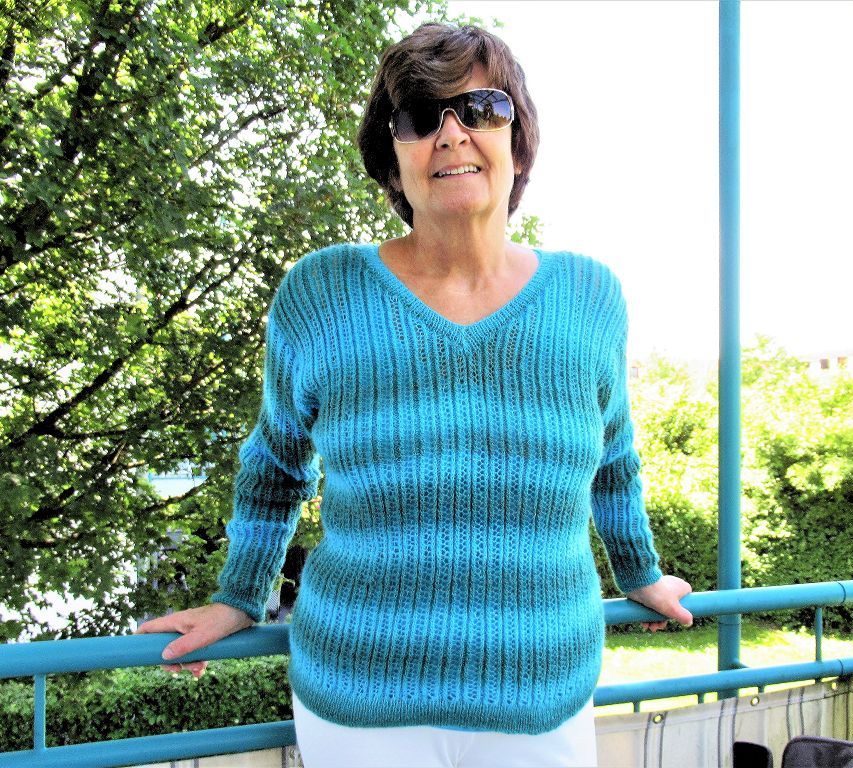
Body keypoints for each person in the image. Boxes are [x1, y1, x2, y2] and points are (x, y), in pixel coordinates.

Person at [135, 21, 693, 768]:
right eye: (421, 119)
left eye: (483, 109)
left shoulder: (590, 296)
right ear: (393, 160)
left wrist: (641, 574)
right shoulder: (321, 293)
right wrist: (240, 597)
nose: (452, 134)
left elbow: (613, 461)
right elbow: (275, 466)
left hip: (541, 694)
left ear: (519, 141)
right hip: (359, 700)